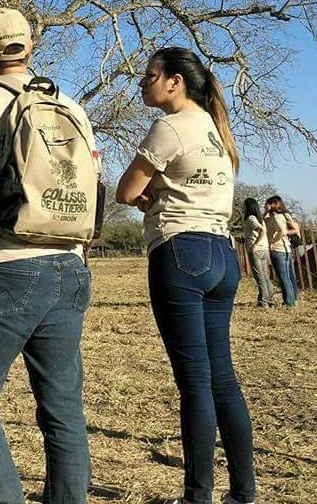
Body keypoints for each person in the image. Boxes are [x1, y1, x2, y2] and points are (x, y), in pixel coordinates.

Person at [0, 7, 96, 504]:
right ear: (31, 47)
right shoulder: (69, 104)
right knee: (62, 406)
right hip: (69, 263)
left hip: (2, 263)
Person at [117, 47, 255, 504]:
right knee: (223, 380)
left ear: (174, 81)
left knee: (194, 383)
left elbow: (125, 191)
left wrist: (148, 195)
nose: (143, 83)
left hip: (180, 252)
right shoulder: (216, 129)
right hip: (222, 254)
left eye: (150, 75)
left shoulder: (170, 127)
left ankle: (198, 497)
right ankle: (243, 493)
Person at [264, 195, 298, 307]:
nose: (265, 206)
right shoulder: (281, 215)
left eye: (267, 204)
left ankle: (289, 302)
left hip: (279, 249)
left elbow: (282, 231)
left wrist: (273, 242)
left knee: (283, 277)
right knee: (287, 276)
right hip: (286, 249)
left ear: (273, 204)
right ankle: (292, 299)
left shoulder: (276, 216)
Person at [242, 198, 273, 307]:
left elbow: (261, 230)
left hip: (256, 250)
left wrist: (255, 244)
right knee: (264, 275)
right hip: (264, 249)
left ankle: (263, 301)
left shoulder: (251, 218)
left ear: (248, 207)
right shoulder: (260, 219)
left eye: (244, 205)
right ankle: (270, 299)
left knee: (259, 276)